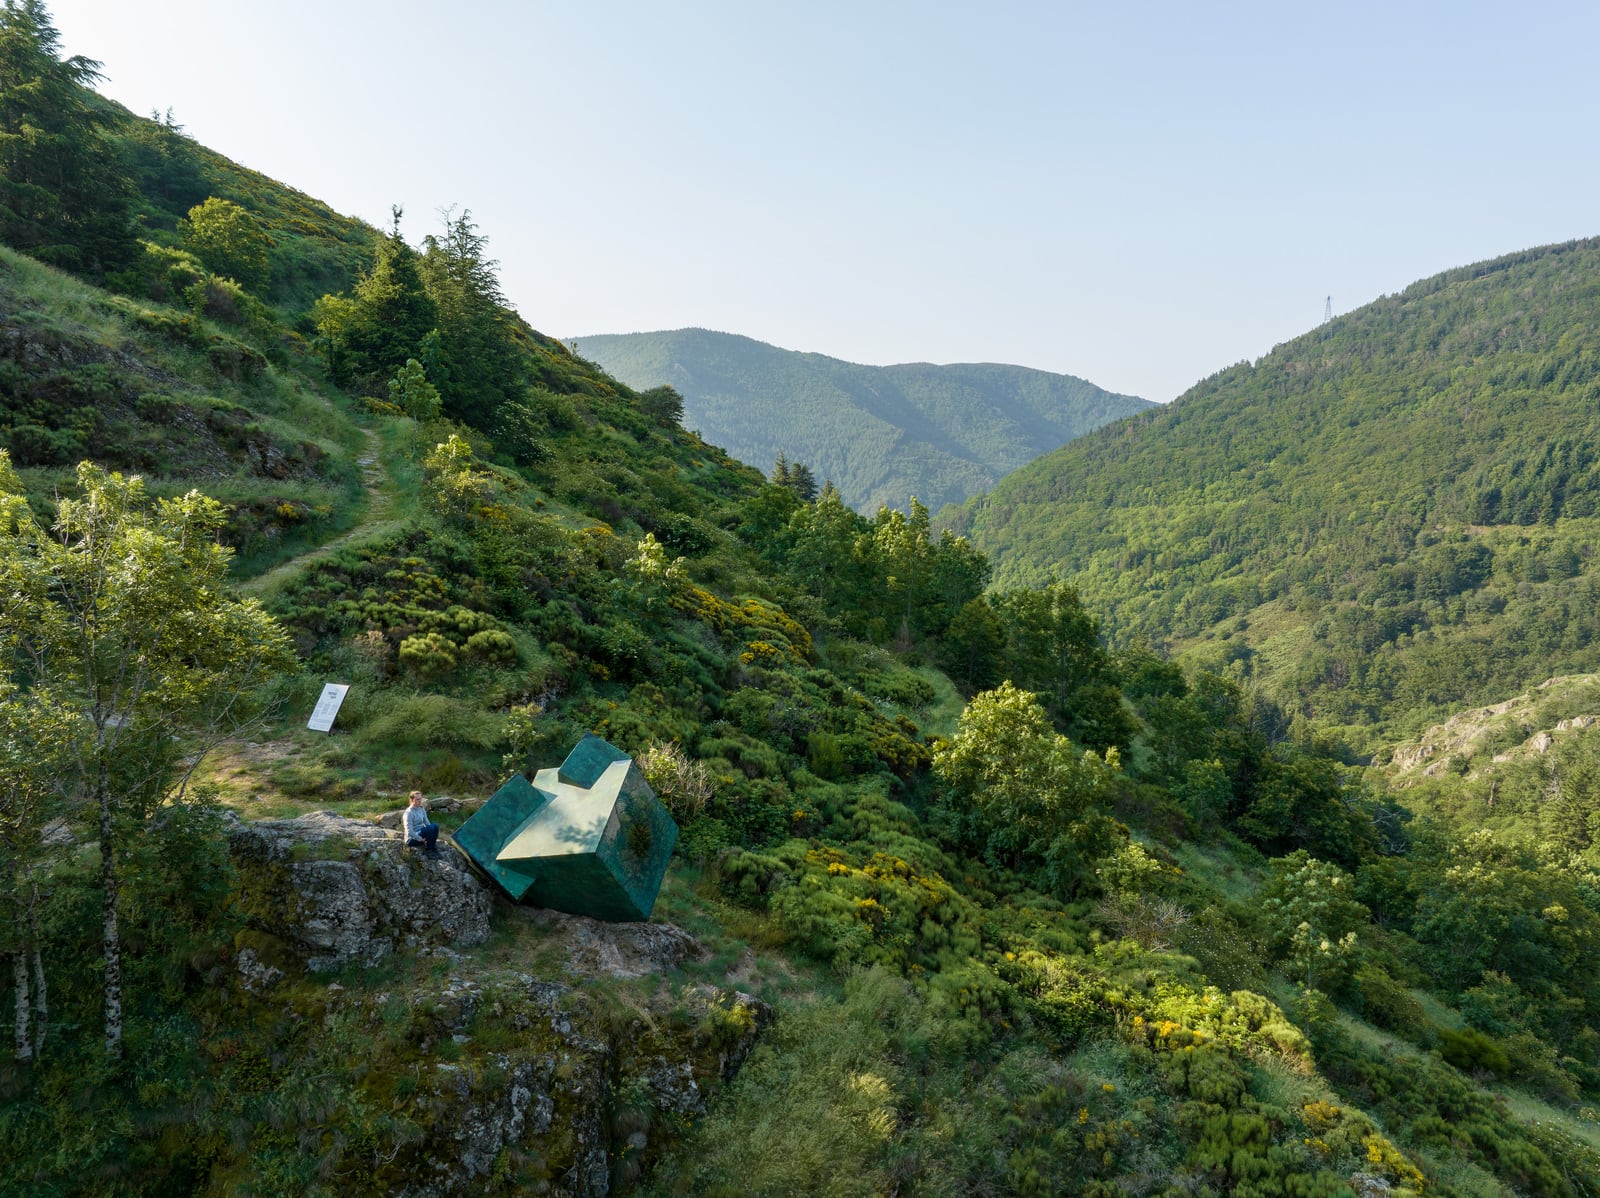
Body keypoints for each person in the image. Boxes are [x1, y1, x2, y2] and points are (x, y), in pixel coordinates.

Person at [403, 790, 440, 856]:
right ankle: (429, 850)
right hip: (412, 839)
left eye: (420, 799)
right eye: (417, 799)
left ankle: (433, 848)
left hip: (421, 833)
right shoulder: (408, 813)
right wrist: (420, 839)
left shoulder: (421, 809)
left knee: (435, 826)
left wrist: (432, 830)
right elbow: (409, 831)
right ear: (412, 800)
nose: (420, 801)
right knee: (430, 828)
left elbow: (426, 822)